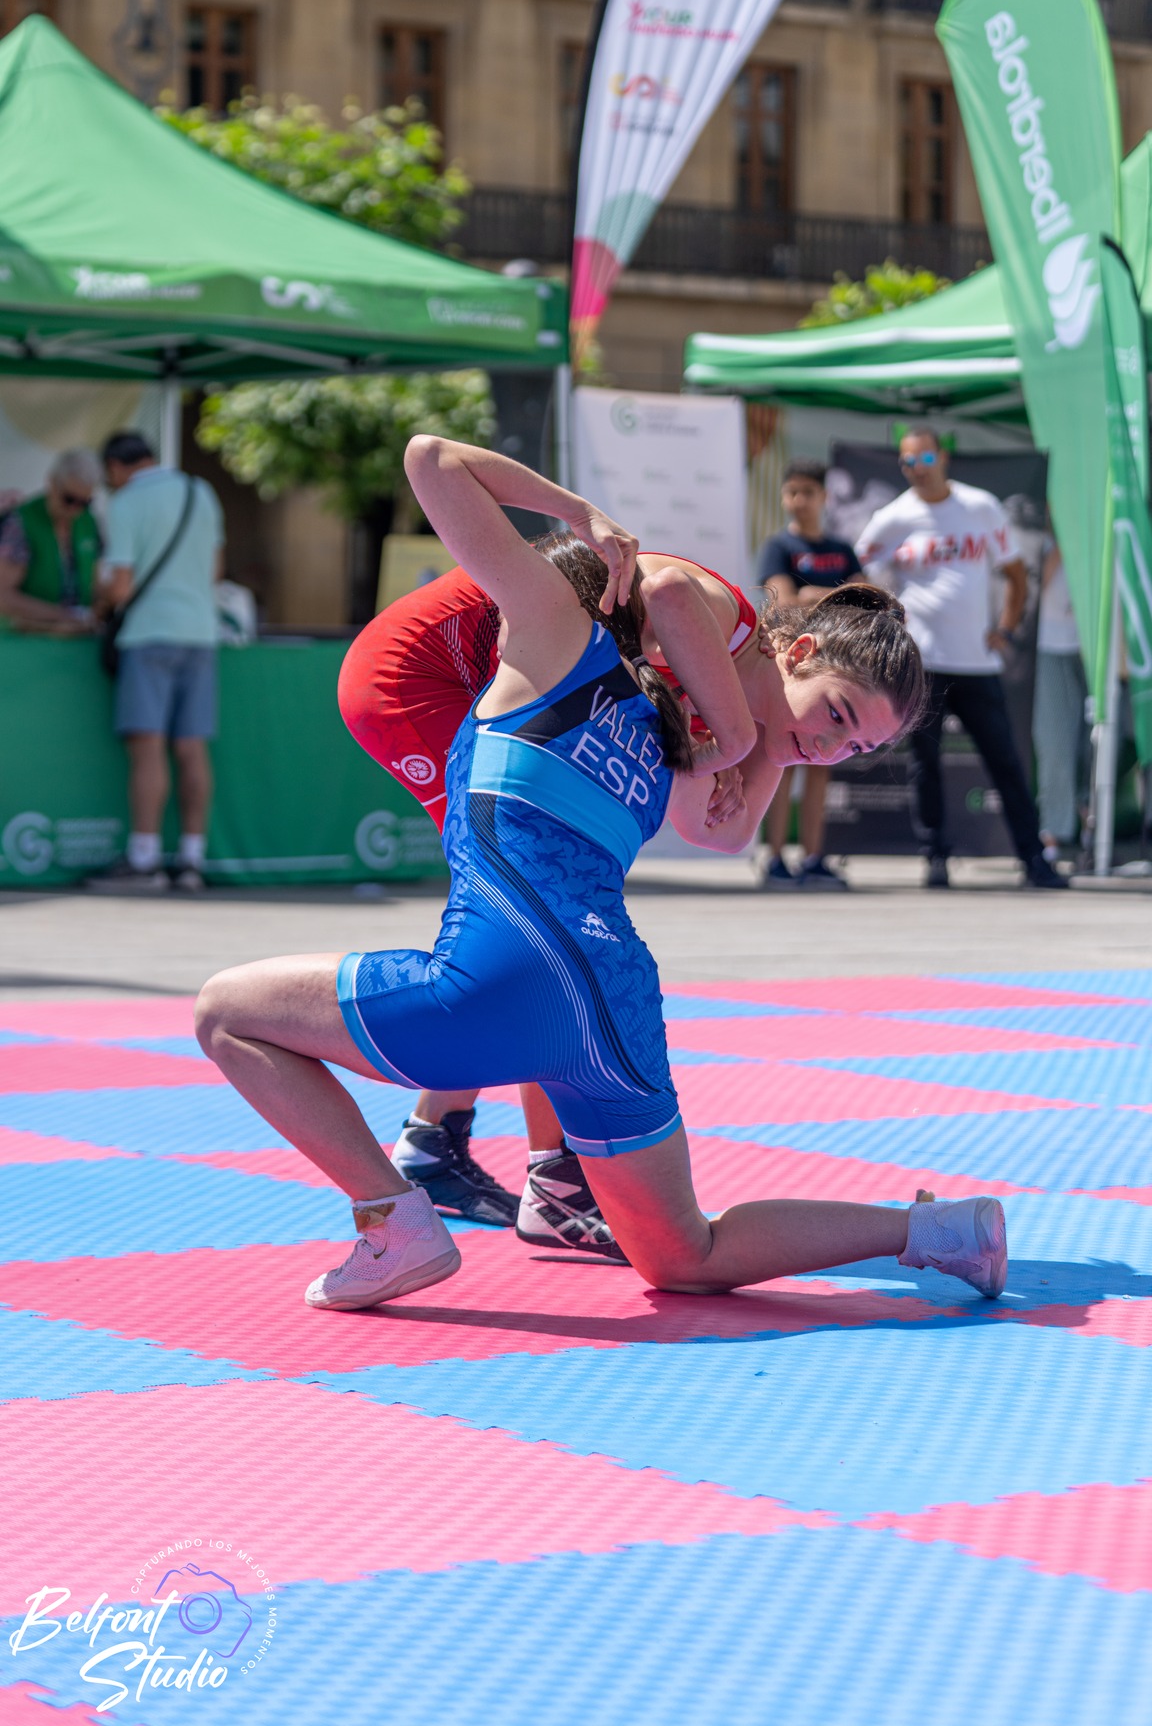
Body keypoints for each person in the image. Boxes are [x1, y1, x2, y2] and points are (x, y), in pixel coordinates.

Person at [195, 434, 1007, 1317]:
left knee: (224, 1013)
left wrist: (574, 512)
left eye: (858, 746)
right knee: (685, 1254)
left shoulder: (555, 640)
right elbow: (719, 808)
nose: (837, 749)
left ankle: (397, 1211)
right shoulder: (670, 748)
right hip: (616, 1007)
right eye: (843, 723)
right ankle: (936, 1231)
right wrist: (742, 737)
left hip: (502, 983)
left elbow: (431, 459)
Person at [337, 473, 758, 1255]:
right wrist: (734, 746)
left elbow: (720, 827)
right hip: (409, 680)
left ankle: (441, 1140)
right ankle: (553, 1178)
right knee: (531, 914)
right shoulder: (710, 622)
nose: (823, 753)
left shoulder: (703, 642)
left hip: (441, 669)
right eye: (827, 730)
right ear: (792, 661)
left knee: (537, 915)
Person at [857, 425, 1066, 891]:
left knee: (1006, 762)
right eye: (907, 462)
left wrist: (1007, 629)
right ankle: (935, 857)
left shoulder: (979, 506)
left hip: (976, 662)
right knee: (924, 763)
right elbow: (861, 574)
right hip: (923, 663)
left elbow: (1015, 574)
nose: (916, 469)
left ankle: (1034, 860)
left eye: (924, 459)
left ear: (942, 458)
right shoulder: (893, 517)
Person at [88, 432, 225, 896]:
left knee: (147, 748)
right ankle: (191, 858)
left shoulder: (126, 501)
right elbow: (215, 572)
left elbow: (121, 586)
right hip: (201, 633)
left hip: (149, 634)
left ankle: (144, 857)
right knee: (191, 748)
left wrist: (100, 596)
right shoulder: (199, 491)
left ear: (115, 467)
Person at [757, 458, 863, 891]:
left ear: (824, 497)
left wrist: (811, 595)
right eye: (791, 492)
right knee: (784, 761)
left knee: (822, 762)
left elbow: (866, 600)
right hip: (793, 669)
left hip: (836, 669)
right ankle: (775, 857)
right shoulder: (778, 545)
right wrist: (835, 596)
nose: (798, 501)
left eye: (807, 492)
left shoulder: (843, 547)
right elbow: (783, 604)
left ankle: (814, 858)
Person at [0, 449, 102, 635]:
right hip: (28, 643)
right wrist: (63, 616)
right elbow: (3, 597)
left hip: (80, 642)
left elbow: (96, 585)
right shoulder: (22, 521)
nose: (76, 510)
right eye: (69, 499)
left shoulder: (89, 522)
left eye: (85, 502)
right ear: (52, 483)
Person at [1033, 532, 1087, 860]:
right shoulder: (1040, 545)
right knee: (1055, 743)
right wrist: (1065, 545)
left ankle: (1088, 819)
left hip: (1103, 655)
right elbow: (1031, 594)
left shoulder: (1117, 533)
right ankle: (1053, 832)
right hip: (1052, 648)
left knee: (1098, 745)